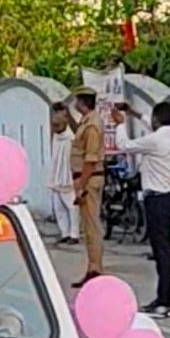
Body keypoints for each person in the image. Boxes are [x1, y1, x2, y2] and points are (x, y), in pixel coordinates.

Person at [112, 102, 170, 318]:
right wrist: (134, 113)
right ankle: (163, 298)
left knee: (162, 251)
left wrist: (120, 124)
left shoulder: (155, 140)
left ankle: (163, 302)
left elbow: (124, 145)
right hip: (169, 197)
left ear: (156, 119)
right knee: (164, 249)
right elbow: (154, 127)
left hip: (156, 200)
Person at [69, 86, 105, 287]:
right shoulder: (86, 122)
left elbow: (90, 159)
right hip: (85, 178)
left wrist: (81, 186)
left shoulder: (92, 125)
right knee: (88, 226)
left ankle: (95, 268)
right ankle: (93, 266)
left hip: (89, 179)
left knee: (92, 226)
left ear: (82, 102)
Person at [48, 102, 79, 246]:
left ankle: (74, 234)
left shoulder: (70, 136)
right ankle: (64, 233)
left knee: (72, 207)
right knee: (58, 208)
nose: (55, 128)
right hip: (56, 175)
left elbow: (77, 130)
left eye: (58, 125)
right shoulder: (56, 137)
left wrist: (67, 113)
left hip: (68, 175)